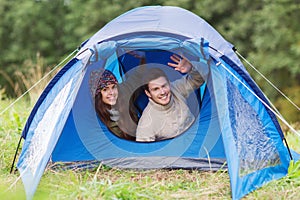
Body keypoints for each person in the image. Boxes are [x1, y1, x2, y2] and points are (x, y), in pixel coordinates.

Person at [135, 54, 205, 142]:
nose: (162, 92)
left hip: (198, 138)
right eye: (156, 89)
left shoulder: (176, 88)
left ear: (169, 83)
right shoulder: (146, 123)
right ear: (148, 93)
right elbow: (145, 152)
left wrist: (192, 68)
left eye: (164, 86)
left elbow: (202, 77)